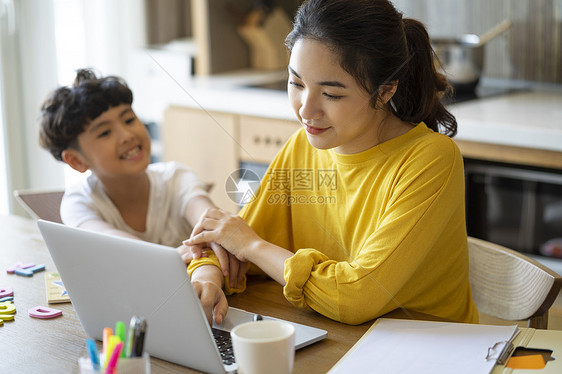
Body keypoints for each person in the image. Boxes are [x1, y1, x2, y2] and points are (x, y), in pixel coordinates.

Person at [184, 0, 479, 326]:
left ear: (385, 90)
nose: (306, 110)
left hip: (429, 351)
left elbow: (356, 296)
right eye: (296, 83)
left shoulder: (430, 160)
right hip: (335, 338)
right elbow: (233, 243)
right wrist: (209, 276)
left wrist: (252, 246)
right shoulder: (305, 144)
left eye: (331, 94)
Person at [39, 68, 216, 254]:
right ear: (76, 161)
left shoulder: (177, 178)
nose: (127, 136)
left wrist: (215, 233)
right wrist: (177, 256)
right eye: (105, 132)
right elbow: (124, 249)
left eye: (129, 120)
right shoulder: (80, 202)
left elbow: (210, 222)